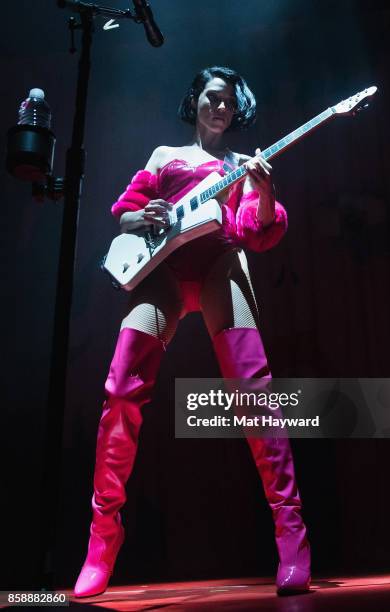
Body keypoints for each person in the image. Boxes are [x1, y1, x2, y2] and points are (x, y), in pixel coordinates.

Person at [74, 66, 311, 598]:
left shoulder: (239, 166)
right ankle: (102, 536)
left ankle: (291, 534)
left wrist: (264, 190)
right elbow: (125, 216)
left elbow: (257, 231)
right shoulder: (164, 157)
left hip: (219, 266)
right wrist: (144, 215)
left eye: (230, 101)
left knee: (255, 397)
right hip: (162, 271)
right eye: (212, 97)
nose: (221, 107)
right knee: (119, 394)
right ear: (196, 101)